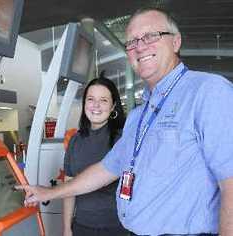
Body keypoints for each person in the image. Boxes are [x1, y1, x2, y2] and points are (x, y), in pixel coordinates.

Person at [16, 7, 233, 235]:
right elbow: (106, 168)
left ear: (176, 42)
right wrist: (48, 193)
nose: (140, 46)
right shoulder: (139, 116)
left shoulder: (208, 92)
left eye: (151, 36)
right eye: (131, 42)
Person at [62, 73, 127, 236]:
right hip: (82, 226)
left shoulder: (123, 139)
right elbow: (68, 189)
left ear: (113, 107)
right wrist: (66, 228)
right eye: (91, 99)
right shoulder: (75, 141)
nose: (96, 105)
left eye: (103, 100)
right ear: (84, 104)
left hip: (117, 228)